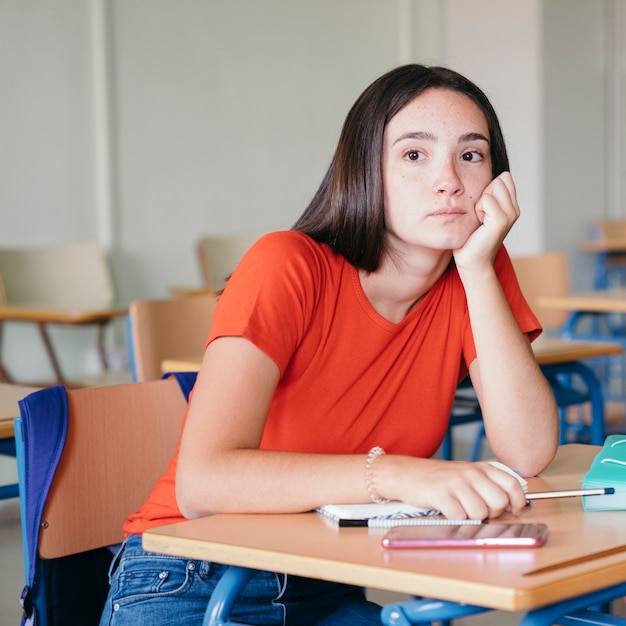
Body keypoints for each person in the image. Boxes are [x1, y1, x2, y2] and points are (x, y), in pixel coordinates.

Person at [99, 64, 559, 626]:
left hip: (323, 577)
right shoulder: (287, 264)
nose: (450, 181)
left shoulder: (476, 271)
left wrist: (480, 270)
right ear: (366, 169)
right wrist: (395, 474)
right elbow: (203, 483)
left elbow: (528, 452)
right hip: (192, 573)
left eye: (471, 155)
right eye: (414, 155)